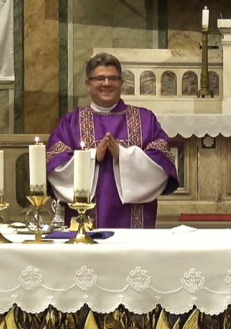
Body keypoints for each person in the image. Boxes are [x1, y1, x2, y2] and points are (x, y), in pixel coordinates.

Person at [47, 53, 179, 228]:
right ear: (87, 84)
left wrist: (122, 155)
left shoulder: (145, 119)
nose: (107, 83)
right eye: (99, 78)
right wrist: (93, 156)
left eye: (113, 78)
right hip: (83, 225)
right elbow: (55, 167)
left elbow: (163, 162)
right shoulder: (71, 123)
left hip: (136, 224)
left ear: (121, 83)